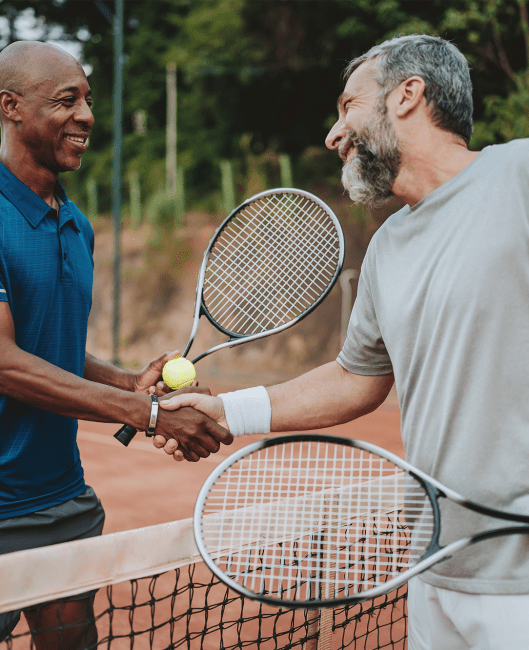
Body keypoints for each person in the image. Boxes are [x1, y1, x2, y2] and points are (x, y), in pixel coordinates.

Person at [154, 34, 529, 650]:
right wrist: (227, 411)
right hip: (435, 569)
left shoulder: (517, 176)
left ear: (408, 95)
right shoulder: (388, 247)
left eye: (347, 105)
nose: (334, 134)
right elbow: (357, 379)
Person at [0, 40, 232, 650]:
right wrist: (151, 413)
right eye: (67, 100)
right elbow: (1, 364)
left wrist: (127, 382)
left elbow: (49, 347)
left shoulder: (75, 223)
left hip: (63, 498)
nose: (87, 114)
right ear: (11, 107)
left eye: (87, 98)